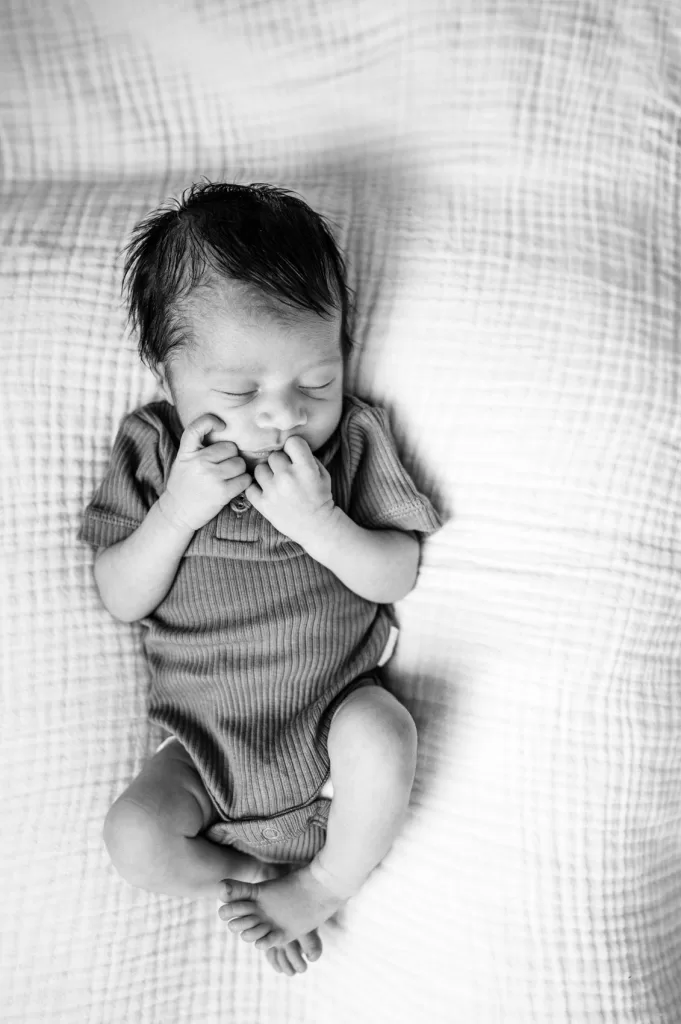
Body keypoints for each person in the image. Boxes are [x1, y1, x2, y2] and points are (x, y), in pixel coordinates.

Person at [78, 181, 442, 977]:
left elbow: (396, 573)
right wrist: (175, 513)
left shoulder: (347, 444)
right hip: (202, 752)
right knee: (133, 840)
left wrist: (322, 525)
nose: (282, 415)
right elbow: (120, 594)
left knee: (385, 737)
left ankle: (323, 881)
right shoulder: (152, 454)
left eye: (314, 381)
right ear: (169, 376)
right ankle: (247, 876)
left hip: (331, 718)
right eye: (240, 391)